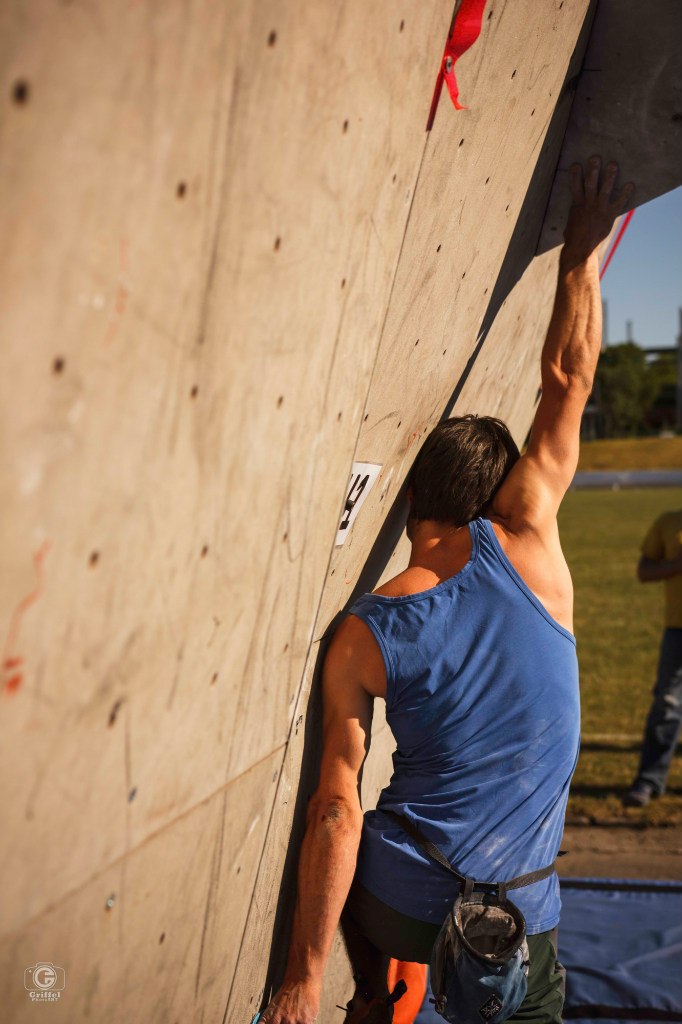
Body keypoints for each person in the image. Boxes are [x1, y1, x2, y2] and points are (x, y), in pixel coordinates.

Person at [257, 157, 634, 1024]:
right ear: (493, 497)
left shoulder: (364, 630)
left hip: (399, 905)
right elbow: (567, 381)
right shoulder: (531, 540)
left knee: (362, 854)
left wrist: (301, 980)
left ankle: (369, 990)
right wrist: (579, 250)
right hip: (520, 915)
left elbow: (333, 815)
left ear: (416, 500)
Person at [624, 509, 682, 807]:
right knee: (667, 705)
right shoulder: (669, 523)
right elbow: (644, 571)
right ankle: (649, 780)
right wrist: (676, 565)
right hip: (677, 630)